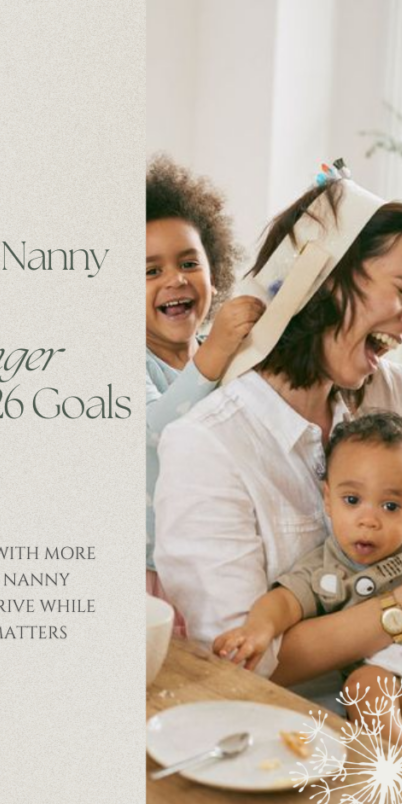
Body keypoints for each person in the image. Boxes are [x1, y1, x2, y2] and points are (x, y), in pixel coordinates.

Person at [154, 166, 402, 686]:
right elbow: (241, 664)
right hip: (291, 734)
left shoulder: (386, 392)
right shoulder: (209, 445)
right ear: (326, 280)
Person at [213, 411, 402, 756]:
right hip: (398, 686)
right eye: (352, 500)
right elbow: (285, 601)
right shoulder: (328, 572)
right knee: (364, 687)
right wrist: (258, 628)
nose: (369, 520)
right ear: (327, 499)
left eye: (390, 506)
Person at [145, 156, 264, 602]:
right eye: (150, 271)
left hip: (210, 565)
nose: (175, 279)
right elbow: (155, 431)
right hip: (147, 570)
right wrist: (214, 353)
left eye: (189, 263)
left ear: (214, 273)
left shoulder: (226, 358)